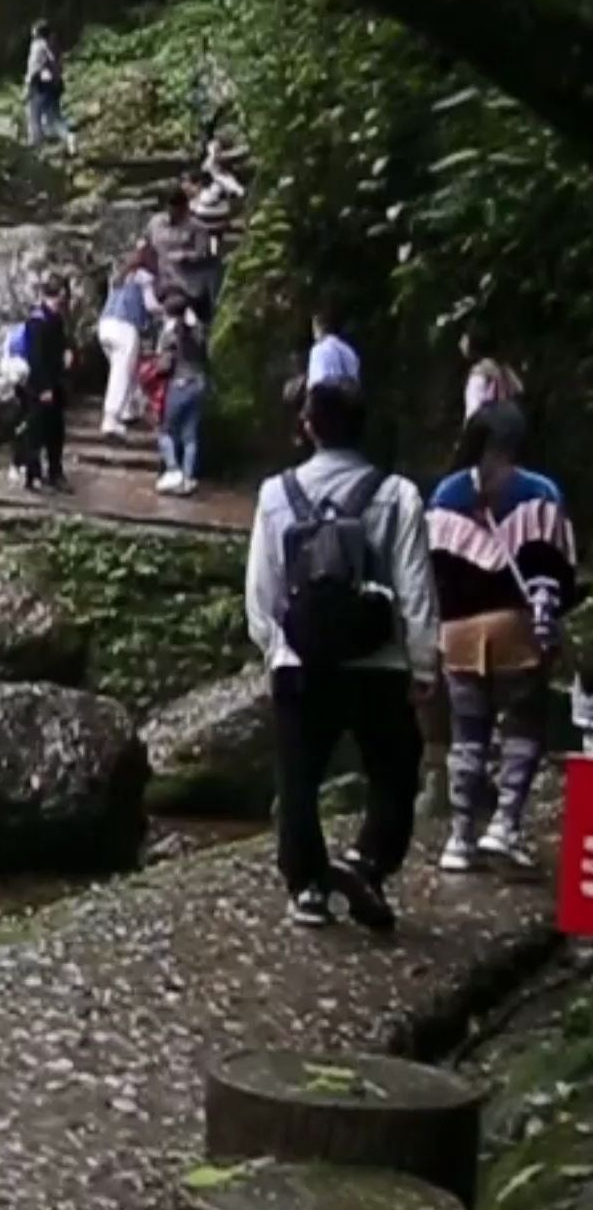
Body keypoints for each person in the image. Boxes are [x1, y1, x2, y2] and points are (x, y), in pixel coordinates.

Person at [245, 377, 440, 930]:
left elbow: (263, 586)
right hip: (377, 662)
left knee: (298, 778)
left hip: (301, 662)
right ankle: (368, 860)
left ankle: (307, 887)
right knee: (396, 769)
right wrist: (423, 662)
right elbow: (415, 584)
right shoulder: (397, 493)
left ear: (308, 426)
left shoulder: (276, 493)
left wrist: (275, 646)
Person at [429, 404, 579, 873]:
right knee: (521, 728)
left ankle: (459, 837)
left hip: (456, 634)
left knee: (467, 736)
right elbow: (558, 575)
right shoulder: (540, 492)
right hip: (515, 629)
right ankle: (505, 825)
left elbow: (432, 574)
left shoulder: (445, 493)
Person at [8, 280, 75, 492]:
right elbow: (36, 358)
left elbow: (63, 342)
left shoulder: (56, 320)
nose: (59, 301)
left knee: (56, 431)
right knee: (35, 433)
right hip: (37, 388)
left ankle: (55, 472)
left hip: (56, 384)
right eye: (57, 297)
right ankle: (33, 475)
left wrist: (67, 352)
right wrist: (43, 387)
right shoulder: (36, 323)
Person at [153, 286, 211, 496]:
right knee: (190, 435)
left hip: (180, 383)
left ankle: (173, 469)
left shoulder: (170, 334)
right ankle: (187, 479)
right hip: (199, 383)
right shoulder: (200, 329)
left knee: (165, 430)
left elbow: (163, 365)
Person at [97, 247, 157, 438]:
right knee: (122, 372)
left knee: (122, 369)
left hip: (105, 325)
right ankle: (111, 418)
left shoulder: (116, 276)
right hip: (126, 326)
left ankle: (128, 409)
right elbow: (151, 305)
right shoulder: (144, 276)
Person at [144, 185, 221, 325]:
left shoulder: (197, 228)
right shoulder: (156, 224)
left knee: (201, 319)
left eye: (178, 209)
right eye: (170, 208)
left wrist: (186, 255)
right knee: (172, 311)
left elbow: (204, 254)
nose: (173, 213)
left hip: (190, 284)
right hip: (165, 283)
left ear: (184, 207)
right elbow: (147, 245)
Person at [23, 21, 70, 149]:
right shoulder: (52, 45)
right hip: (54, 83)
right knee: (54, 115)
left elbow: (34, 67)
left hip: (40, 84)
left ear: (37, 32)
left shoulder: (37, 46)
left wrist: (28, 85)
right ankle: (68, 137)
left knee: (34, 113)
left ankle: (35, 141)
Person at [462, 331, 525, 423]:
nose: (460, 344)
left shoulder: (479, 372)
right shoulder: (503, 367)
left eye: (464, 340)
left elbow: (473, 409)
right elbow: (519, 389)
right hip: (513, 422)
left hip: (490, 427)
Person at [306, 307, 361, 389]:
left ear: (319, 328)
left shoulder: (319, 348)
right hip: (351, 395)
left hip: (327, 392)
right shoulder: (348, 349)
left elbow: (319, 380)